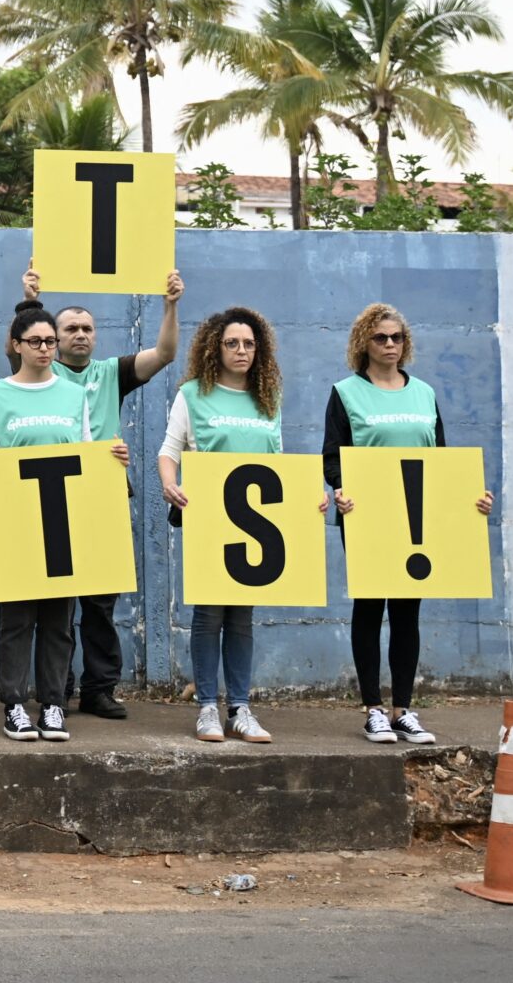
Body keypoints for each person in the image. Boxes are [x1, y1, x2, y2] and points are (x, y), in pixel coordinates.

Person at [18, 262, 184, 719]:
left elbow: (166, 352)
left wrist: (170, 305)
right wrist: (30, 301)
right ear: (53, 338)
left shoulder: (113, 372)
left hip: (103, 494)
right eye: (70, 329)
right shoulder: (39, 371)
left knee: (99, 603)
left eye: (87, 329)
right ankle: (58, 688)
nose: (80, 335)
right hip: (49, 496)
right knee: (54, 602)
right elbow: (22, 340)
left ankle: (99, 689)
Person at [323, 302, 494, 745]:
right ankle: (373, 711)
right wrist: (340, 489)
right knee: (369, 607)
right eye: (381, 337)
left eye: (397, 337)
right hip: (366, 515)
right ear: (364, 342)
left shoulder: (423, 393)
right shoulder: (345, 393)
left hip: (416, 518)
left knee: (406, 611)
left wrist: (470, 499)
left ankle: (403, 710)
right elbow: (332, 457)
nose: (390, 344)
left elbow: (441, 462)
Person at [0, 306, 129, 744]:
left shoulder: (74, 396)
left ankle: (54, 704)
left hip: (63, 523)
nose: (44, 348)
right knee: (16, 621)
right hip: (16, 524)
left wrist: (113, 458)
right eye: (35, 341)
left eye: (49, 341)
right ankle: (14, 705)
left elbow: (88, 455)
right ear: (16, 345)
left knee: (59, 621)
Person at [156, 306, 287, 745]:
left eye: (249, 343)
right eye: (232, 343)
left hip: (256, 525)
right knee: (209, 613)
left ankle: (241, 709)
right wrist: (170, 485)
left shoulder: (268, 397)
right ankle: (207, 707)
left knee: (242, 615)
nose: (241, 350)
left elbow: (278, 462)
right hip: (210, 517)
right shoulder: (193, 394)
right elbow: (169, 451)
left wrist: (307, 499)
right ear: (216, 347)